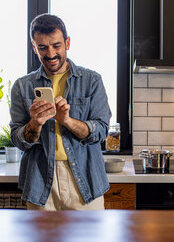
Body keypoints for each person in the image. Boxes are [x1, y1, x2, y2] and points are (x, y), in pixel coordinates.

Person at [10, 13, 111, 210]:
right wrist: (35, 124)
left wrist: (66, 120)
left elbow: (101, 131)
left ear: (67, 42)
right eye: (42, 47)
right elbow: (18, 140)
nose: (50, 54)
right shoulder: (22, 86)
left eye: (56, 46)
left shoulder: (92, 81)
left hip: (85, 179)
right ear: (34, 47)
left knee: (89, 241)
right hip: (40, 182)